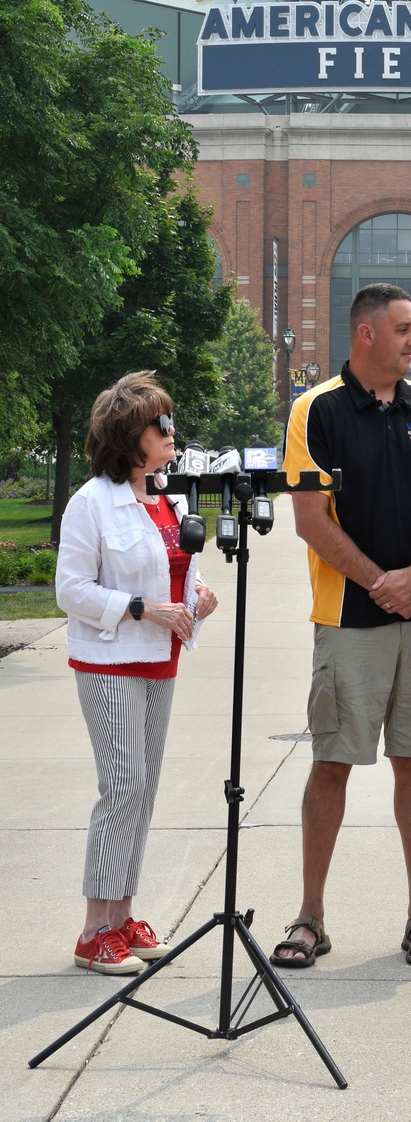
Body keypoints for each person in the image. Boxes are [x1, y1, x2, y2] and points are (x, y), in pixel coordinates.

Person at [272, 283, 411, 970]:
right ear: (367, 335)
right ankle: (310, 917)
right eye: (406, 329)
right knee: (332, 764)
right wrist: (381, 585)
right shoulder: (317, 410)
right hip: (348, 620)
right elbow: (308, 520)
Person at [55, 373, 218, 975]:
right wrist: (144, 609)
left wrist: (197, 594)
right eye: (161, 424)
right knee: (119, 789)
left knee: (142, 791)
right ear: (131, 436)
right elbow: (70, 589)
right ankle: (92, 931)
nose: (171, 433)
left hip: (159, 659)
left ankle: (123, 917)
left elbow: (176, 570)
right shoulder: (91, 503)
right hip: (109, 661)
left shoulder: (167, 500)